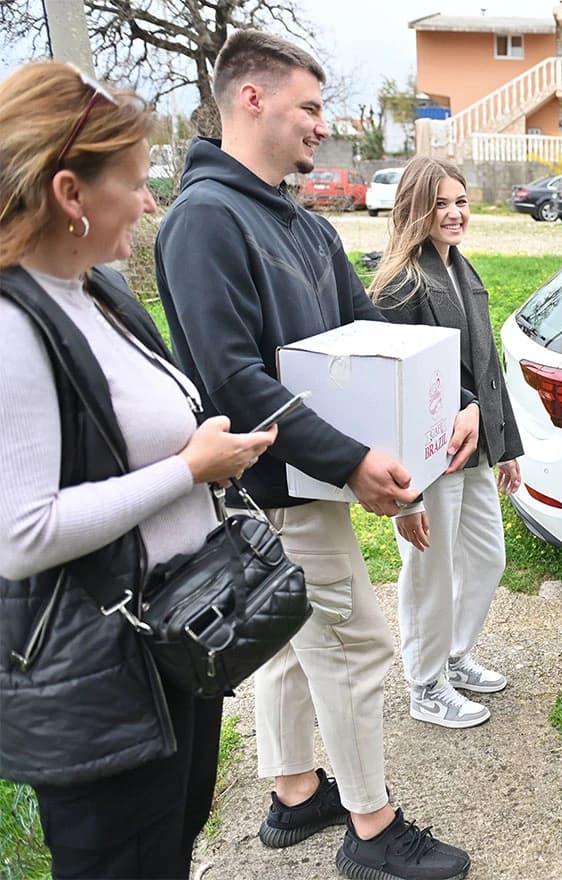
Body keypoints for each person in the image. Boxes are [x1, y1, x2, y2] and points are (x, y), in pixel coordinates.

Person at [154, 31, 472, 880]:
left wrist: (447, 412)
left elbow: (370, 333)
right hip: (273, 487)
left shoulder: (302, 223)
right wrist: (352, 461)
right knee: (356, 645)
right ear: (251, 98)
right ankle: (372, 829)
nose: (324, 126)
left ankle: (295, 793)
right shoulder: (203, 220)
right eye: (311, 107)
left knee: (292, 643)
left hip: (311, 479)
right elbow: (233, 377)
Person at [0, 61, 276, 879]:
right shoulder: (14, 325)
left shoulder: (98, 293)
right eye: (134, 181)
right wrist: (190, 468)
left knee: (171, 840)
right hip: (98, 681)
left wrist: (205, 455)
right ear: (69, 194)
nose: (151, 201)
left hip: (167, 642)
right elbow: (21, 535)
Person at [369, 157, 523, 729]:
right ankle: (426, 684)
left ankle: (454, 656)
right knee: (428, 572)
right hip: (429, 458)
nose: (455, 213)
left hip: (475, 450)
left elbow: (488, 367)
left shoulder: (460, 266)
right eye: (440, 204)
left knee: (487, 557)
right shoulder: (400, 284)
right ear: (416, 208)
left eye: (460, 201)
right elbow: (393, 388)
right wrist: (405, 496)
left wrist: (507, 446)